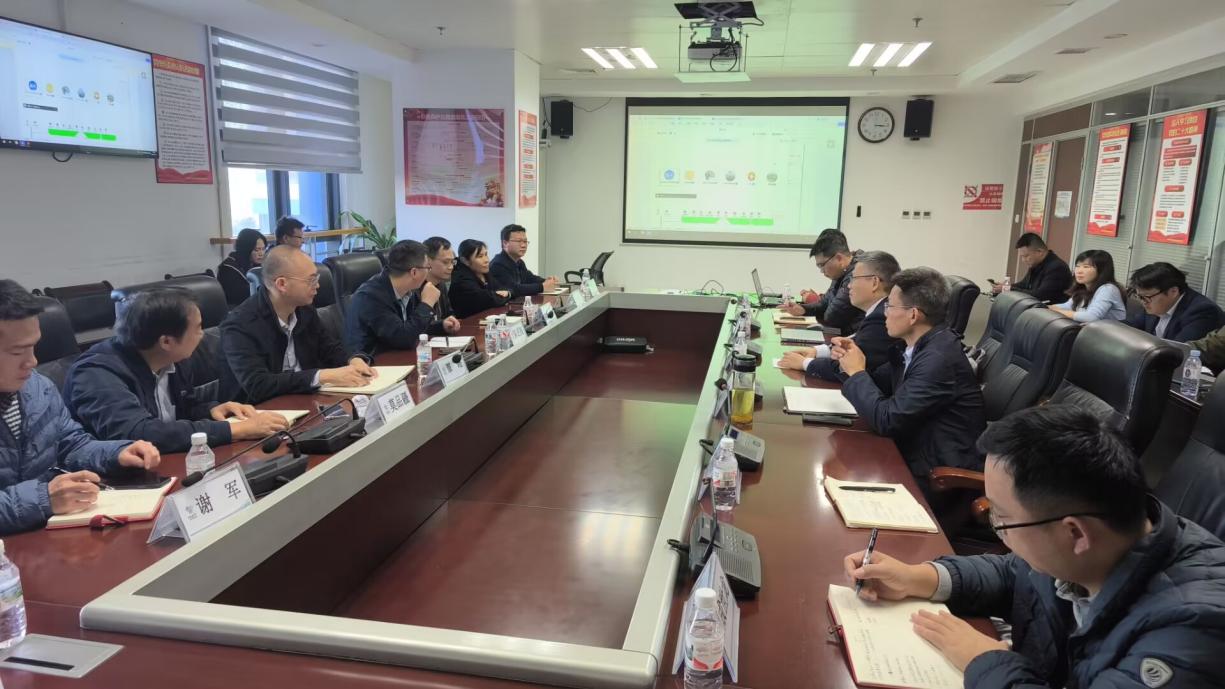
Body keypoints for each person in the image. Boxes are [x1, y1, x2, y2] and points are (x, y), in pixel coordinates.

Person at [843, 404, 1225, 687]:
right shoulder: (1090, 546)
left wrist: (983, 659)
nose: (998, 531)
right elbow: (1016, 573)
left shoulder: (1194, 629)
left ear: (1076, 534)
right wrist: (918, 577)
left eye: (1002, 519)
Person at [0, 280, 161, 533]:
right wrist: (42, 499)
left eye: (33, 346)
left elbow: (70, 445)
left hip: (45, 535)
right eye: (17, 352)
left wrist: (116, 453)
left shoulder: (38, 389)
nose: (32, 361)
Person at [64, 288, 290, 453]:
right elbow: (138, 433)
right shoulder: (95, 374)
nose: (203, 335)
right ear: (166, 341)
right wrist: (236, 430)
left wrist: (213, 410)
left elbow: (182, 410)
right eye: (198, 328)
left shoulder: (173, 358)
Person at [833, 267, 986, 483]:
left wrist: (857, 372)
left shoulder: (938, 360)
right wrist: (848, 361)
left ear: (913, 315)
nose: (884, 313)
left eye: (889, 306)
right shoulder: (916, 347)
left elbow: (888, 420)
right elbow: (879, 383)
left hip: (935, 476)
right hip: (911, 451)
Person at [219, 246, 374, 404]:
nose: (318, 286)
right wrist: (321, 376)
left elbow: (329, 348)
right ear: (282, 284)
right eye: (311, 280)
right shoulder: (239, 325)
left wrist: (352, 359)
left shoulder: (304, 310)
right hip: (259, 410)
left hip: (306, 400)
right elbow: (258, 385)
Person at [779, 250, 901, 382]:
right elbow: (856, 340)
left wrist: (805, 363)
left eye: (854, 278)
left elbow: (848, 368)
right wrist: (817, 351)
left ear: (874, 283)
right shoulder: (879, 311)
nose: (849, 285)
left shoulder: (883, 317)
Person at [344, 240, 452, 360]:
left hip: (398, 357)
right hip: (373, 363)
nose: (428, 271)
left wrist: (441, 326)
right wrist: (427, 304)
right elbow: (404, 339)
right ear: (414, 272)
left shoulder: (407, 289)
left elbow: (411, 326)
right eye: (428, 267)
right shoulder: (372, 297)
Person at [779, 230, 864, 333]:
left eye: (822, 265)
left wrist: (823, 304)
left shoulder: (858, 274)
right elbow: (824, 302)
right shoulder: (842, 271)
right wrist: (803, 309)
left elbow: (832, 317)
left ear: (839, 258)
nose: (821, 271)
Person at [1123, 262, 1225, 342]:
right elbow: (1130, 326)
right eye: (1139, 296)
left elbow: (1180, 350)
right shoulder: (1153, 302)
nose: (1143, 302)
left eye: (1146, 297)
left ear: (1173, 291)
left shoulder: (1202, 311)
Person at [1048, 249, 1127, 322]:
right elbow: (1068, 306)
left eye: (1086, 267)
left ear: (1101, 270)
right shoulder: (1084, 287)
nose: (1079, 271)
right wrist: (1046, 307)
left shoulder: (1108, 289)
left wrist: (1056, 311)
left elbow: (1091, 317)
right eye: (1077, 266)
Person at [993, 233, 1072, 303]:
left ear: (1039, 252)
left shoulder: (1057, 268)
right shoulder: (1036, 264)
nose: (1023, 260)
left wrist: (1009, 289)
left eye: (1026, 256)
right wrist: (1005, 287)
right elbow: (1024, 284)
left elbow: (1039, 296)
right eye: (1022, 256)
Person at [489, 224, 558, 297]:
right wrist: (542, 287)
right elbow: (513, 289)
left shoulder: (519, 262)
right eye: (519, 241)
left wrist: (547, 281)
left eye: (525, 241)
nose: (523, 245)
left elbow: (530, 278)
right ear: (505, 243)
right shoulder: (497, 264)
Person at [450, 239, 512, 318]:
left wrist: (508, 293)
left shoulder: (483, 272)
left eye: (486, 254)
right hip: (468, 322)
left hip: (486, 319)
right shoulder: (461, 278)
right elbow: (489, 300)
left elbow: (503, 288)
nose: (486, 260)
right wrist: (506, 295)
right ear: (465, 260)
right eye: (480, 256)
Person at [422, 236, 462, 336]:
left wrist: (452, 321)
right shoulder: (414, 288)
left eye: (452, 262)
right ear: (427, 261)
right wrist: (441, 325)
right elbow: (417, 326)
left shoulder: (441, 284)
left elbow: (448, 314)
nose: (451, 267)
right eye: (445, 262)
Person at [217, 228, 266, 307]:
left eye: (263, 249)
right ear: (246, 249)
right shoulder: (228, 268)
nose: (261, 253)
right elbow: (237, 298)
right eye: (257, 250)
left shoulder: (259, 265)